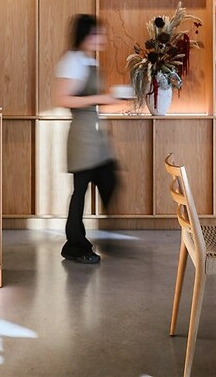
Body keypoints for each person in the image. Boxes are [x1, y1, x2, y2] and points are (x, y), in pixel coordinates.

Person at [55, 14, 119, 264]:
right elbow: (63, 99)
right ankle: (75, 245)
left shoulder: (88, 60)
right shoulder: (72, 61)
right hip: (82, 136)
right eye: (96, 33)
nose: (101, 37)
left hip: (94, 135)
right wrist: (101, 99)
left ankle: (107, 239)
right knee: (80, 192)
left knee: (109, 180)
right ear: (84, 35)